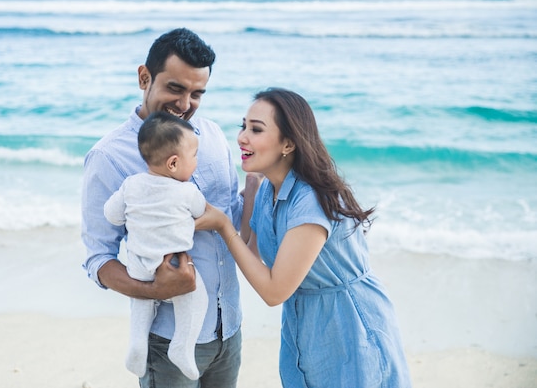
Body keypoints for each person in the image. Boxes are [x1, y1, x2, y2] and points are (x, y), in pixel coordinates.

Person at [197, 88, 412, 387]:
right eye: (243, 126)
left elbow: (273, 292)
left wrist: (222, 225)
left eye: (256, 129)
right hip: (305, 322)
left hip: (349, 324)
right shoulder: (268, 190)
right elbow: (247, 248)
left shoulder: (309, 200)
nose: (242, 137)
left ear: (288, 143)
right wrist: (247, 194)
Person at [81, 28, 254, 388]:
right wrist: (155, 291)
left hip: (229, 326)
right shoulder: (109, 157)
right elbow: (98, 258)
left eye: (197, 93)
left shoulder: (214, 136)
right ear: (144, 77)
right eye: (175, 88)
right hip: (165, 339)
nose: (185, 103)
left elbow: (234, 220)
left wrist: (266, 181)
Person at [103, 111, 207, 380]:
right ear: (173, 163)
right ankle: (182, 346)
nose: (196, 162)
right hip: (175, 265)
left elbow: (111, 215)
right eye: (194, 156)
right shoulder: (187, 191)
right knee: (196, 299)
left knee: (141, 304)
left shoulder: (130, 185)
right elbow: (201, 211)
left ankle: (137, 344)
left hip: (139, 266)